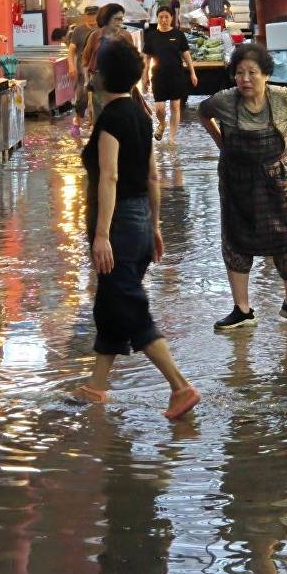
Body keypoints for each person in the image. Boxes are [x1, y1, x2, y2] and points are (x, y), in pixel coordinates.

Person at [76, 39, 200, 419]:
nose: (91, 74)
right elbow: (152, 175)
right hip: (141, 222)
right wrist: (156, 226)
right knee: (112, 305)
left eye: (95, 68)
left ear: (103, 75)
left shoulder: (113, 119)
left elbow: (109, 178)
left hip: (120, 227)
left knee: (131, 306)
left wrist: (101, 234)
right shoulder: (141, 116)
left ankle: (180, 386)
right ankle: (96, 387)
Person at [198, 43, 287, 328]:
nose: (245, 79)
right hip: (236, 181)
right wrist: (220, 142)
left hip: (277, 180)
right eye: (239, 73)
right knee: (237, 240)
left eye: (252, 72)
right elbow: (202, 113)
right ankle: (242, 309)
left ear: (266, 74)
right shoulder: (224, 100)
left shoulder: (282, 98)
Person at [142, 6, 198, 142]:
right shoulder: (152, 36)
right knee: (160, 108)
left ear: (172, 18)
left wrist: (192, 73)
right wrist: (144, 76)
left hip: (176, 75)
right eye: (161, 17)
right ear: (157, 18)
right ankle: (162, 123)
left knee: (175, 106)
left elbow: (186, 55)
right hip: (158, 76)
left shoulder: (178, 35)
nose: (164, 20)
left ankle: (172, 138)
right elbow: (147, 58)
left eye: (167, 17)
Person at [82, 3, 135, 125]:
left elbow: (134, 60)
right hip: (99, 79)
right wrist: (86, 80)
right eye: (116, 19)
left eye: (121, 19)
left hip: (122, 79)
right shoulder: (95, 36)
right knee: (101, 116)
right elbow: (85, 59)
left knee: (122, 114)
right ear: (107, 18)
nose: (119, 22)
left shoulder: (126, 36)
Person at [67, 5, 99, 135]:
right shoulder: (78, 30)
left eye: (94, 15)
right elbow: (71, 50)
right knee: (82, 97)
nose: (91, 18)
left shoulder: (102, 29)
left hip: (98, 69)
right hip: (83, 69)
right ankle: (77, 122)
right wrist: (71, 65)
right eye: (89, 15)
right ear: (85, 16)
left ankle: (94, 124)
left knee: (97, 98)